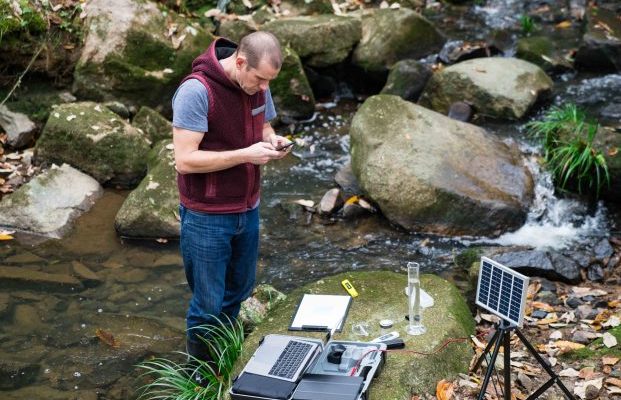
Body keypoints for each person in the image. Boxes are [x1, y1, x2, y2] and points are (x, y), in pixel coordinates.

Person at [171, 31, 290, 363]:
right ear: (240, 62)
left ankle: (226, 359)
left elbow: (263, 127)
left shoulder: (256, 84)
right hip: (206, 215)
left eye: (270, 81)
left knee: (238, 292)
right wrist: (246, 155)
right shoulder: (196, 91)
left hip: (248, 208)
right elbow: (185, 160)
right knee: (208, 304)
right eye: (260, 80)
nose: (265, 89)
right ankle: (200, 374)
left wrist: (273, 140)